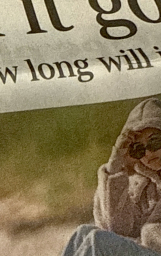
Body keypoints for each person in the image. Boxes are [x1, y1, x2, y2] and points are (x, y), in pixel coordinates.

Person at [62, 98, 161, 256]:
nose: (148, 153)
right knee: (84, 232)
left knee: (98, 240)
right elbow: (115, 228)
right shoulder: (145, 185)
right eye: (138, 149)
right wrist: (115, 165)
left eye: (154, 142)